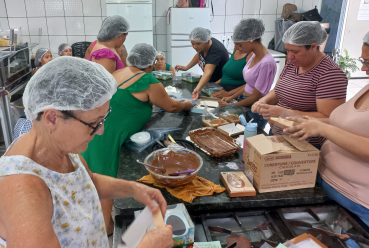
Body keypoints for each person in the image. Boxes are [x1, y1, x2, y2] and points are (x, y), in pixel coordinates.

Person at [0, 57, 173, 248]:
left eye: (103, 119)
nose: (101, 130)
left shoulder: (60, 146)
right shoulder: (22, 190)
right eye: (93, 123)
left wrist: (134, 189)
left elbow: (85, 181)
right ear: (51, 118)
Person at [81, 43, 193, 236]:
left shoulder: (120, 72)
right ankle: (105, 230)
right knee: (106, 183)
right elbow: (172, 106)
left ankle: (101, 224)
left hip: (95, 132)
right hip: (108, 138)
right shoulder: (147, 79)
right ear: (150, 63)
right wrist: (187, 104)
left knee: (93, 181)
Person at [282, 31, 369, 229]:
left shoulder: (330, 73)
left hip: (358, 204)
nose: (363, 68)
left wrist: (321, 127)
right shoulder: (366, 87)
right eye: (363, 60)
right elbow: (345, 126)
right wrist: (306, 122)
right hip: (326, 184)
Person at [251, 21, 348, 149]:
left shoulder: (330, 74)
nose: (290, 56)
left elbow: (329, 118)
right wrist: (263, 101)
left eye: (295, 51)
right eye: (287, 50)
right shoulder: (294, 63)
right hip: (279, 133)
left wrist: (285, 113)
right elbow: (279, 89)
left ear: (313, 47)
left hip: (306, 144)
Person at [218, 19, 277, 129]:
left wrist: (231, 106)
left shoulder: (266, 63)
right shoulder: (254, 55)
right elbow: (249, 84)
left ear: (250, 40)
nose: (236, 48)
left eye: (239, 44)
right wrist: (231, 97)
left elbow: (255, 97)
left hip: (254, 109)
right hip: (244, 101)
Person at [175, 27, 229, 100]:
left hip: (219, 86)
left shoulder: (215, 51)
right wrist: (186, 67)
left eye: (198, 44)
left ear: (206, 41)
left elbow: (207, 74)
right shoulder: (205, 44)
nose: (194, 47)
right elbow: (199, 55)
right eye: (192, 43)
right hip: (211, 83)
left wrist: (197, 89)